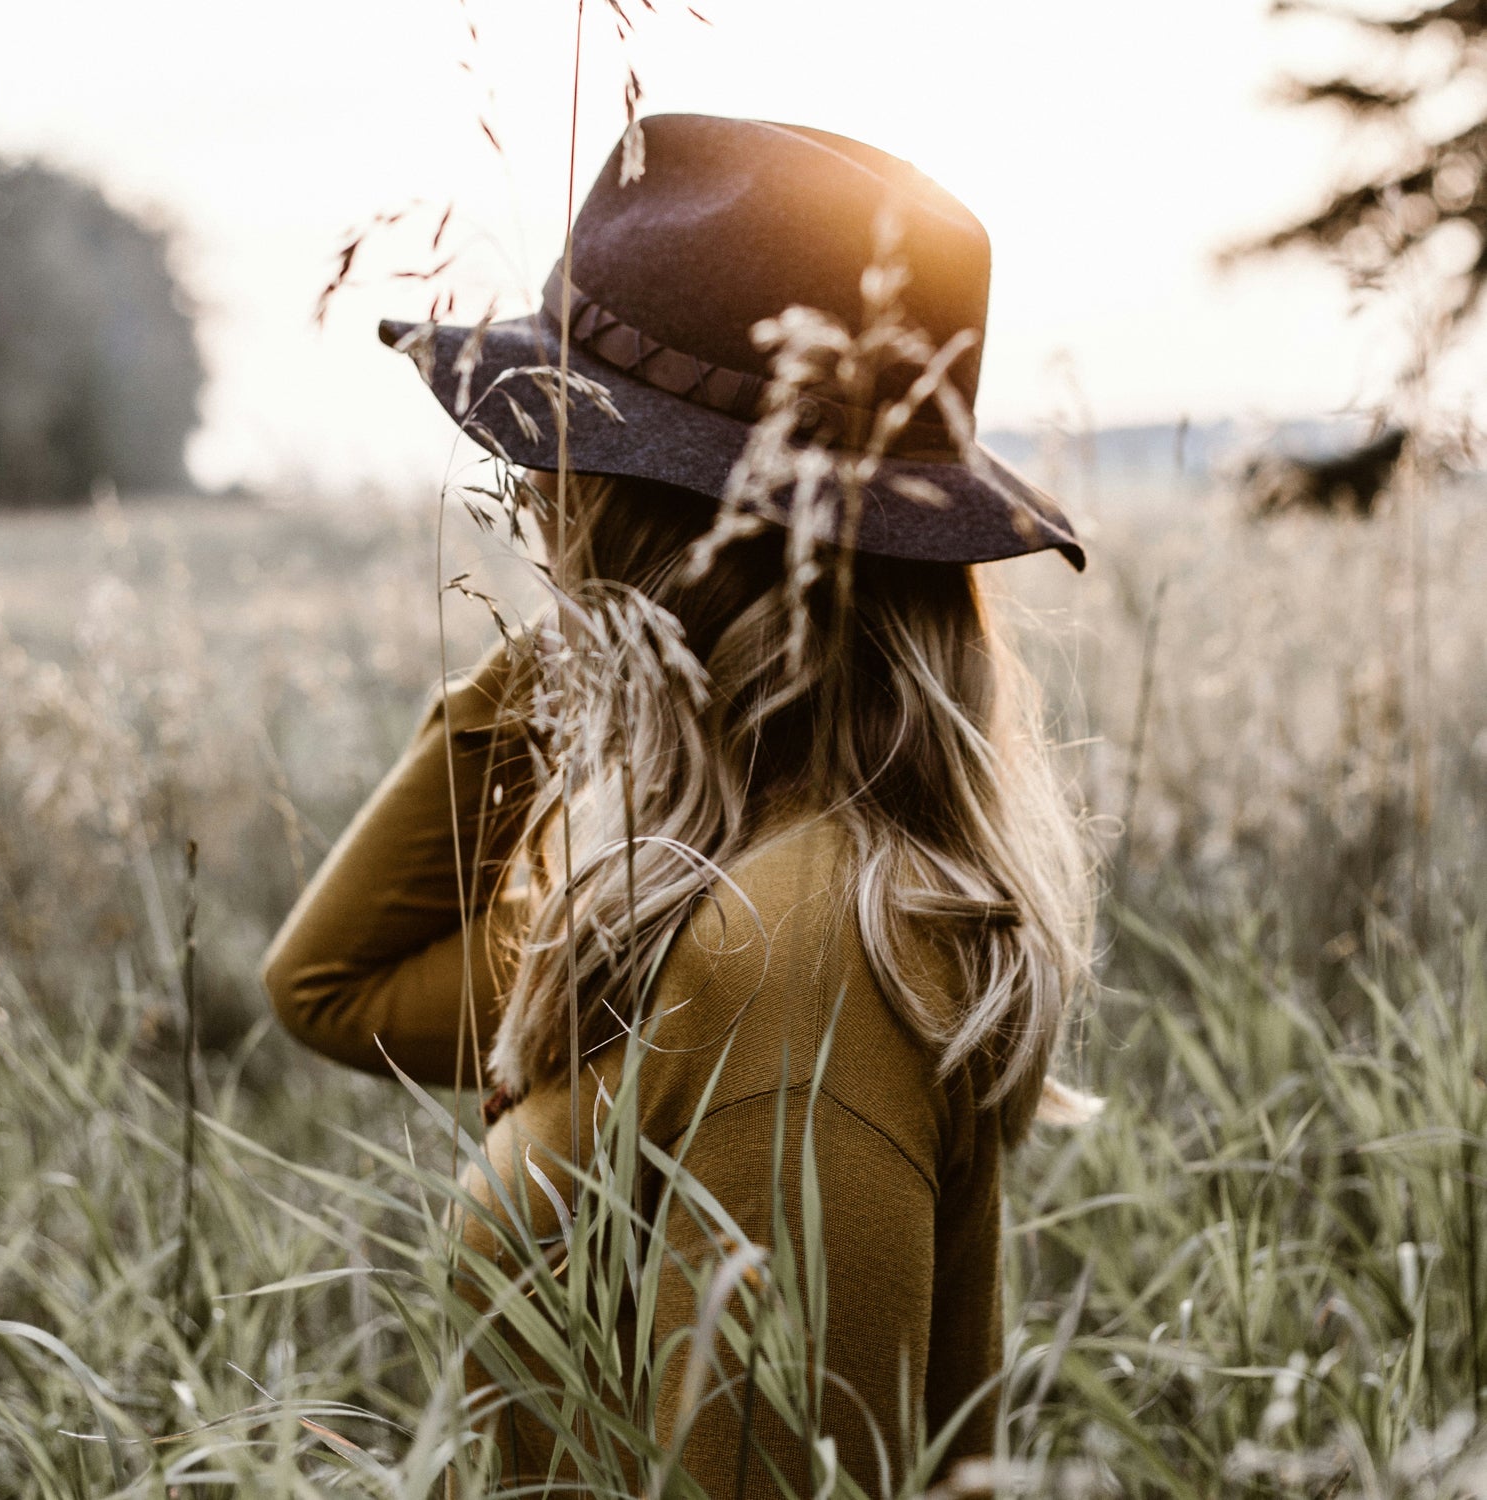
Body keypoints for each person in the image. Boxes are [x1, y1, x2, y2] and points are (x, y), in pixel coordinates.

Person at [262, 113, 1094, 1495]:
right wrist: (601, 637)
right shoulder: (689, 891)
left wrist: (611, 611)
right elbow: (332, 987)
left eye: (557, 467)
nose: (530, 496)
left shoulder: (797, 956)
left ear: (640, 513)